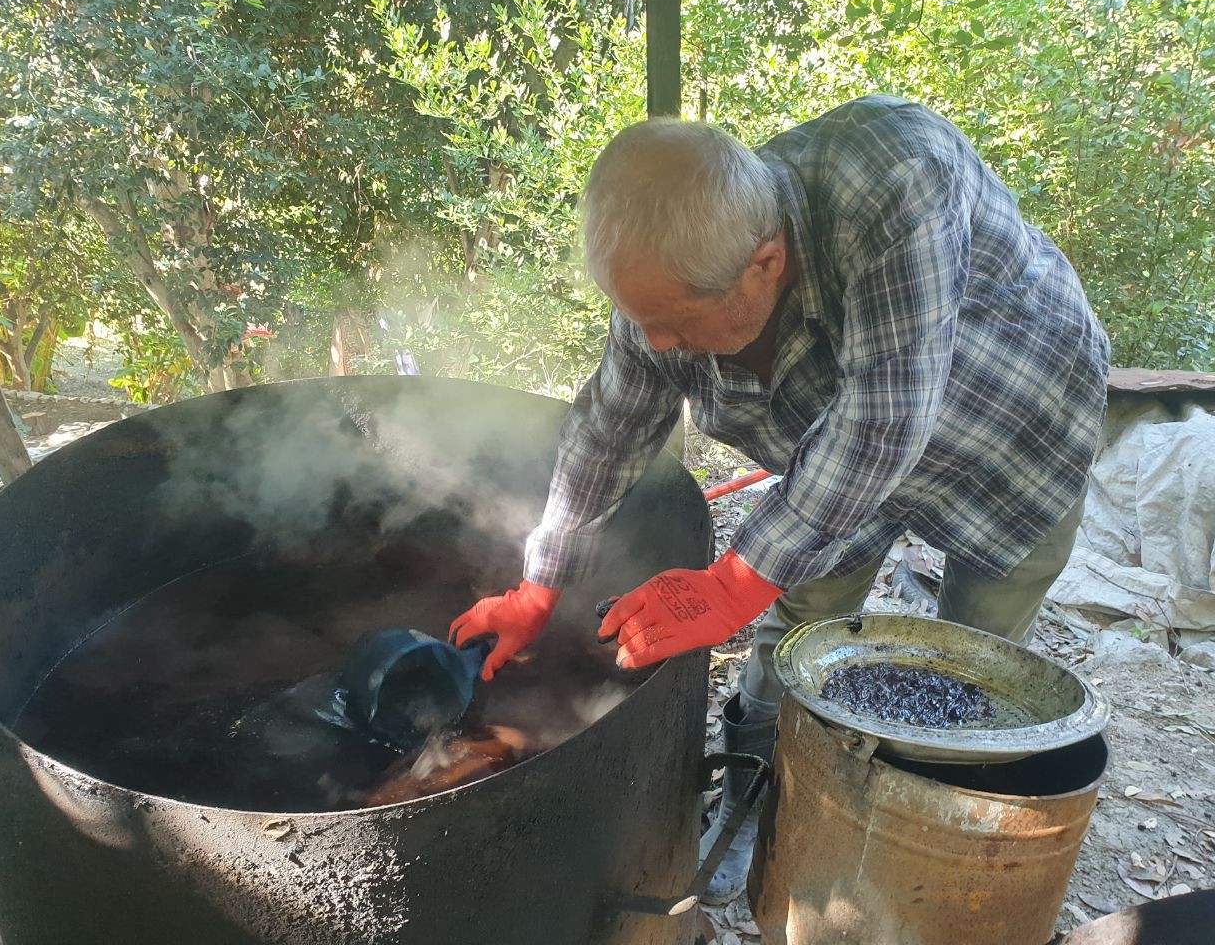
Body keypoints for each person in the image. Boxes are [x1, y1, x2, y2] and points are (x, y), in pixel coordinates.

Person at [448, 95, 1110, 904]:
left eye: (676, 322)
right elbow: (607, 429)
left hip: (1011, 429)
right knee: (794, 622)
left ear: (765, 262)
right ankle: (754, 800)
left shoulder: (894, 174)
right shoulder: (673, 277)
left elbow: (884, 417)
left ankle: (911, 847)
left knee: (973, 662)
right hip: (837, 473)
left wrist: (731, 582)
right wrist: (539, 579)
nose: (656, 342)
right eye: (640, 318)